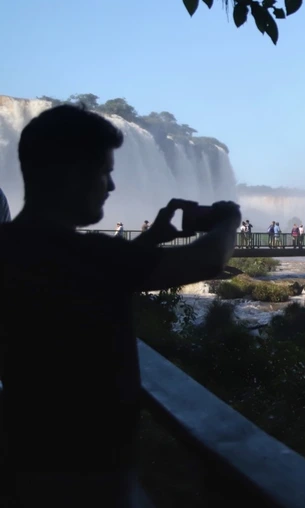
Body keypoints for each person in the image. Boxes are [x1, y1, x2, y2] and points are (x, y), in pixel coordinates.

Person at [0, 104, 241, 507]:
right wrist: (228, 220)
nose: (111, 186)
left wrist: (150, 241)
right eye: (104, 172)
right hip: (88, 475)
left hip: (23, 459)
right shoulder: (90, 254)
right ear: (70, 174)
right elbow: (208, 260)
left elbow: (85, 276)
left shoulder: (12, 247)